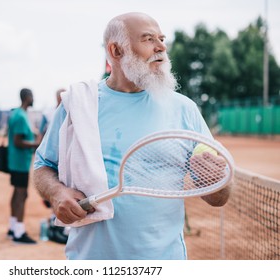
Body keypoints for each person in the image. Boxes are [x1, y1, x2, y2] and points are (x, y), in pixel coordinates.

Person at [33, 12, 231, 259]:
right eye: (148, 39)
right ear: (116, 51)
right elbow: (43, 166)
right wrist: (57, 193)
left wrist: (214, 179)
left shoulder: (184, 109)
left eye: (161, 38)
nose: (161, 47)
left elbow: (218, 197)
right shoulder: (78, 106)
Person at [7, 88, 41, 244]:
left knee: (16, 194)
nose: (34, 99)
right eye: (32, 96)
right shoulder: (21, 116)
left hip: (15, 161)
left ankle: (13, 227)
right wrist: (35, 144)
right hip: (20, 162)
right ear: (27, 97)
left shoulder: (16, 114)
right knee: (21, 195)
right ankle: (19, 233)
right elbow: (18, 141)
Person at [38, 88, 70, 244]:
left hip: (67, 158)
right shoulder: (49, 114)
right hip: (52, 155)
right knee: (53, 187)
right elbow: (40, 134)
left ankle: (62, 224)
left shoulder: (72, 110)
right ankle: (53, 222)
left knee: (67, 187)